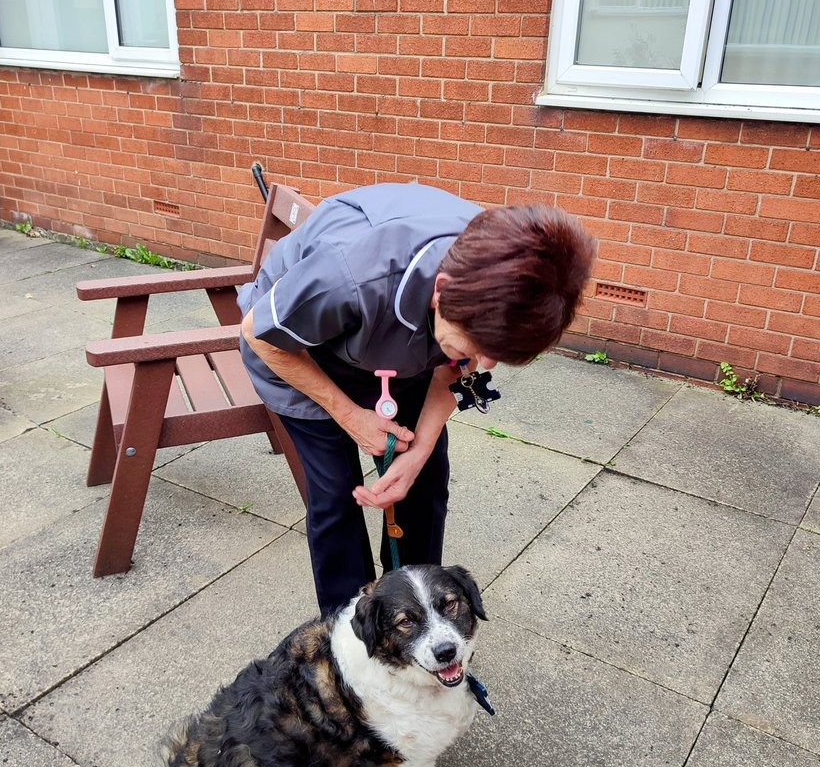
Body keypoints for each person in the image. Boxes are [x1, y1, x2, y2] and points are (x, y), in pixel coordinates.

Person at [238, 181, 595, 617]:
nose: (482, 365)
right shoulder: (350, 275)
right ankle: (351, 632)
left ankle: (417, 615)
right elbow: (260, 334)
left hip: (399, 355)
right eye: (477, 347)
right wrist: (350, 416)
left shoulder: (500, 275)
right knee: (336, 497)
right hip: (297, 350)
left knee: (424, 483)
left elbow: (457, 369)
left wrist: (420, 449)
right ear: (442, 290)